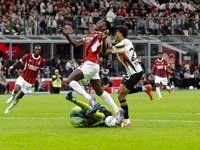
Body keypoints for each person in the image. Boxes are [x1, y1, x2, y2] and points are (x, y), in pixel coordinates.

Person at [58, 18, 123, 125]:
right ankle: (117, 110)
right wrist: (66, 34)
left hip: (90, 63)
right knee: (100, 91)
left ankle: (89, 99)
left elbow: (102, 51)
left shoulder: (101, 36)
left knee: (69, 80)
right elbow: (75, 44)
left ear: (104, 27)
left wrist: (103, 39)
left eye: (100, 22)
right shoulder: (89, 36)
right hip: (94, 66)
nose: (97, 23)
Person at [102, 25, 153, 127]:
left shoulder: (122, 45)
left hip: (134, 73)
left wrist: (99, 46)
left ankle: (127, 121)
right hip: (133, 72)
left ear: (120, 34)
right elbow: (113, 48)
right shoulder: (127, 42)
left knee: (121, 96)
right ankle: (144, 88)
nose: (115, 36)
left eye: (116, 34)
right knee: (119, 92)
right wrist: (106, 40)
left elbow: (105, 52)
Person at [5, 45, 45, 113]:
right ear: (34, 50)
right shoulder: (28, 56)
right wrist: (11, 67)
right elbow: (19, 62)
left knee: (19, 96)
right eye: (36, 49)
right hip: (23, 76)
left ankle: (9, 108)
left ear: (40, 51)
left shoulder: (42, 61)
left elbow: (41, 72)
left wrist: (42, 81)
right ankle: (12, 96)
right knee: (16, 89)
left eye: (39, 50)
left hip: (30, 81)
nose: (37, 51)